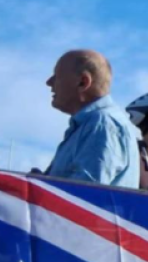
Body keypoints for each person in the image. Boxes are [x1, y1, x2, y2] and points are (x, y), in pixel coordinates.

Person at [44, 49, 139, 187]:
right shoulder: (95, 124)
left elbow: (84, 196)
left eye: (57, 76)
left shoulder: (102, 125)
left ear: (83, 82)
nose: (49, 82)